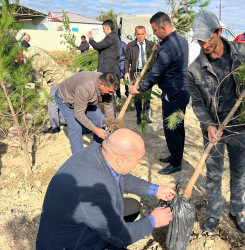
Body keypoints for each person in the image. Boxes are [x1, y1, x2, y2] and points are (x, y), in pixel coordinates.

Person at [36, 128, 175, 249]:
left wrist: (156, 189)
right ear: (121, 160)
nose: (140, 161)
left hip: (81, 223)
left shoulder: (98, 151)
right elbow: (121, 237)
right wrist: (152, 221)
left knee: (131, 206)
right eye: (139, 159)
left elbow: (121, 176)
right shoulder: (93, 190)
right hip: (70, 244)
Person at [187, 11, 245, 234]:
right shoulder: (194, 69)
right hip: (213, 131)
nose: (204, 44)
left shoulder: (241, 51)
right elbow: (197, 103)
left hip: (240, 125)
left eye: (208, 38)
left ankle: (236, 211)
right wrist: (208, 124)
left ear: (219, 32)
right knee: (214, 174)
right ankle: (214, 213)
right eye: (199, 39)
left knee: (238, 173)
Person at [130, 12, 189, 175]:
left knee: (171, 129)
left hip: (173, 93)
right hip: (182, 91)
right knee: (178, 128)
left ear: (163, 27)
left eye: (155, 30)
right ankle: (176, 156)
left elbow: (156, 74)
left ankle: (176, 163)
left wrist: (139, 88)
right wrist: (158, 49)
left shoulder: (167, 48)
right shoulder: (181, 40)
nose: (154, 33)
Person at [55, 71, 119, 154]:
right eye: (109, 91)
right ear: (101, 83)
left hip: (85, 100)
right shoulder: (85, 87)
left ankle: (97, 149)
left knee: (100, 121)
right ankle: (79, 156)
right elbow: (79, 114)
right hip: (66, 100)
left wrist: (111, 122)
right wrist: (96, 130)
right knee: (76, 128)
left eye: (112, 92)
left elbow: (108, 104)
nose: (111, 94)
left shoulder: (107, 82)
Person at [23, 46, 67, 134]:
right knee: (59, 100)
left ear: (20, 56)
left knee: (51, 102)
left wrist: (33, 94)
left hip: (57, 79)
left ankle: (55, 127)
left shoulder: (33, 60)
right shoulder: (31, 49)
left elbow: (38, 81)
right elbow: (45, 50)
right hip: (60, 75)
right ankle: (63, 121)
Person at [88, 19, 120, 117]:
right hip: (108, 69)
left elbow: (98, 46)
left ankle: (112, 117)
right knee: (108, 94)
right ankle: (111, 116)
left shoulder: (110, 37)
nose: (103, 30)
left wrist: (91, 39)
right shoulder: (113, 37)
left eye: (103, 29)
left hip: (108, 70)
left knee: (109, 94)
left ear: (108, 28)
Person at [125, 25, 154, 124]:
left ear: (145, 34)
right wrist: (126, 71)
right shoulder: (130, 45)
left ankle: (146, 116)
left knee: (147, 95)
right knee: (137, 96)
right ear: (135, 34)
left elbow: (155, 59)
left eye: (142, 34)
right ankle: (139, 117)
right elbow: (127, 60)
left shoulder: (151, 45)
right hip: (135, 72)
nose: (140, 36)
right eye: (138, 34)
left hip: (147, 73)